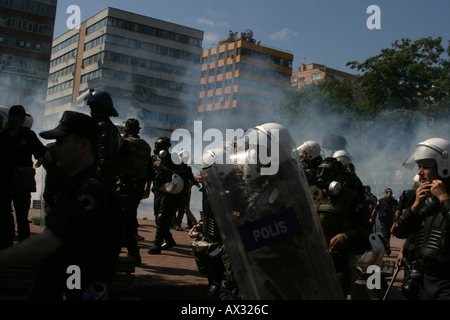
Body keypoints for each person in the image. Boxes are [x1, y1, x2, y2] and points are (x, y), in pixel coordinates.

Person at [0, 111, 122, 300]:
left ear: (83, 146)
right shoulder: (74, 185)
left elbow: (48, 243)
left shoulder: (91, 191)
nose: (55, 148)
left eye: (61, 142)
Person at [393, 137, 450, 300]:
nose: (419, 172)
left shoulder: (443, 198)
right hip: (423, 280)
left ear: (444, 166)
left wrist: (444, 199)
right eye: (419, 167)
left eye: (425, 167)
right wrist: (416, 206)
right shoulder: (425, 199)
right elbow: (399, 231)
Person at [311, 157, 372, 296]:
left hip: (338, 258)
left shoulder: (349, 197)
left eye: (327, 173)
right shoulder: (311, 193)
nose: (321, 176)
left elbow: (363, 227)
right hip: (316, 257)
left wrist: (345, 235)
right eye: (320, 171)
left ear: (338, 176)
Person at [0, 105, 51, 249]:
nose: (22, 119)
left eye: (23, 116)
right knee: (4, 213)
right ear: (11, 117)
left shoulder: (28, 135)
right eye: (19, 116)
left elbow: (40, 149)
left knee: (22, 215)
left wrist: (43, 155)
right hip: (4, 181)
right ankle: (6, 243)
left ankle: (23, 246)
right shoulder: (2, 136)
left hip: (21, 182)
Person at [116, 118, 154, 264]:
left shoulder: (124, 143)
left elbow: (116, 163)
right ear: (138, 131)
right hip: (138, 187)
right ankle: (131, 251)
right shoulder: (145, 145)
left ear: (125, 130)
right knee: (129, 216)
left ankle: (132, 252)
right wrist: (148, 187)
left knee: (123, 219)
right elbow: (150, 169)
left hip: (124, 185)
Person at [78, 89, 120, 186]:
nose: (89, 111)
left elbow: (103, 161)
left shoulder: (104, 127)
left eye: (91, 108)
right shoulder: (110, 127)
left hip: (101, 183)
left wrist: (95, 181)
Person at [148, 137, 181, 254]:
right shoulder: (154, 158)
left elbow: (180, 173)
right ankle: (169, 240)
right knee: (158, 217)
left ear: (167, 146)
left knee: (162, 217)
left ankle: (156, 245)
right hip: (157, 190)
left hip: (169, 190)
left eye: (161, 145)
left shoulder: (174, 158)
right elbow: (150, 174)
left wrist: (165, 168)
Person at [173, 150, 199, 230]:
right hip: (176, 190)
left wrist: (196, 183)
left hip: (185, 190)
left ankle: (178, 223)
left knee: (182, 208)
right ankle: (172, 222)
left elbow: (191, 178)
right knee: (173, 207)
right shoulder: (174, 168)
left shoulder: (188, 168)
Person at [370, 188, 398, 255]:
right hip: (383, 220)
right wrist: (372, 217)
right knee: (385, 234)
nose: (389, 194)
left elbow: (397, 210)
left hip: (391, 220)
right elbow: (376, 209)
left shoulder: (394, 202)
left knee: (388, 235)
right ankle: (387, 248)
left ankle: (386, 247)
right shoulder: (381, 201)